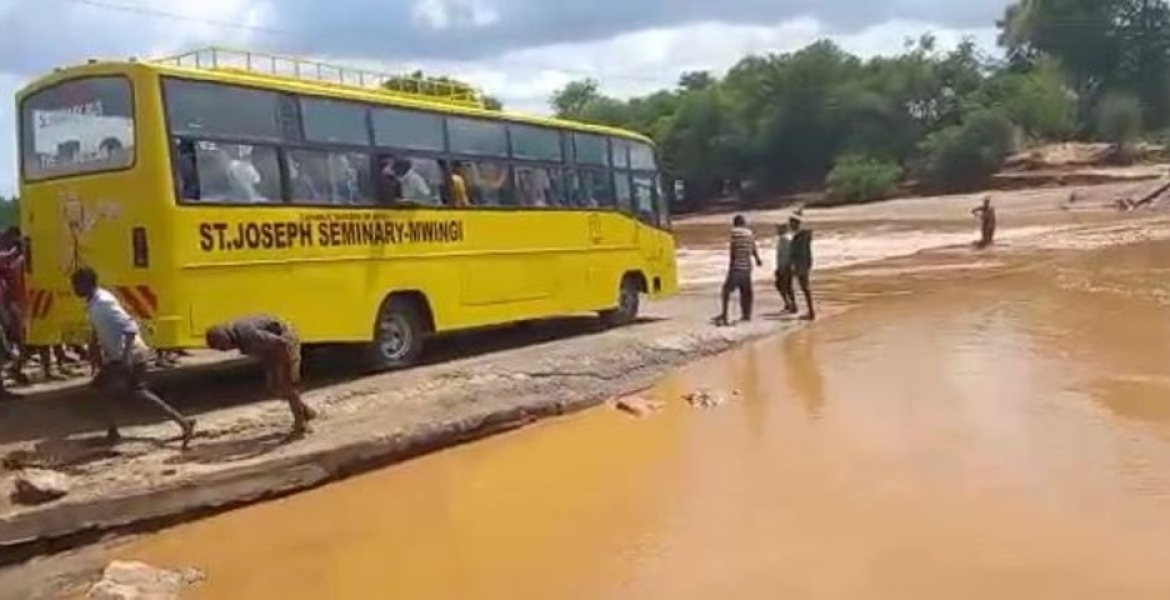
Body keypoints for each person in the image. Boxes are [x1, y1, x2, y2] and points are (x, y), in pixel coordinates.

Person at [72, 267, 196, 447]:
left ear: (85, 284)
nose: (74, 289)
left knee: (135, 392)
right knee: (111, 390)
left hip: (130, 354)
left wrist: (126, 357)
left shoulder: (103, 303)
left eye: (76, 285)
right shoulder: (93, 302)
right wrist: (94, 349)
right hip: (119, 356)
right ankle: (115, 430)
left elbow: (130, 326)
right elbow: (98, 328)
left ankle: (183, 423)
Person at [205, 315, 317, 437]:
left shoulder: (248, 334)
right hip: (272, 350)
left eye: (221, 346)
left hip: (285, 342)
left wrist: (286, 369)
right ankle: (306, 412)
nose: (222, 350)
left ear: (224, 337)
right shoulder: (237, 336)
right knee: (274, 386)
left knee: (286, 385)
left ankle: (301, 426)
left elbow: (281, 343)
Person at [716, 215, 762, 326]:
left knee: (726, 290)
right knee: (746, 292)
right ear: (744, 223)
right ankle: (747, 315)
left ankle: (725, 315)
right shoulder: (749, 233)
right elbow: (753, 248)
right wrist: (757, 259)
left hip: (737, 267)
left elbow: (733, 250)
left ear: (735, 223)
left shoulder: (734, 232)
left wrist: (731, 266)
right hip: (747, 267)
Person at [789, 215, 816, 321]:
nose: (790, 226)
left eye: (791, 224)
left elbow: (797, 253)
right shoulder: (804, 235)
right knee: (805, 288)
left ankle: (811, 312)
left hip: (801, 264)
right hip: (806, 262)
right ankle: (810, 311)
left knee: (805, 287)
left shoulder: (798, 237)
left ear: (796, 224)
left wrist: (795, 266)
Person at [774, 222, 796, 313]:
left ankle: (790, 305)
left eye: (779, 228)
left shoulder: (784, 239)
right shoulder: (786, 238)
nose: (777, 230)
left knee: (782, 286)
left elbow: (785, 255)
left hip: (785, 267)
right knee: (787, 287)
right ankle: (791, 305)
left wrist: (782, 268)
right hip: (786, 266)